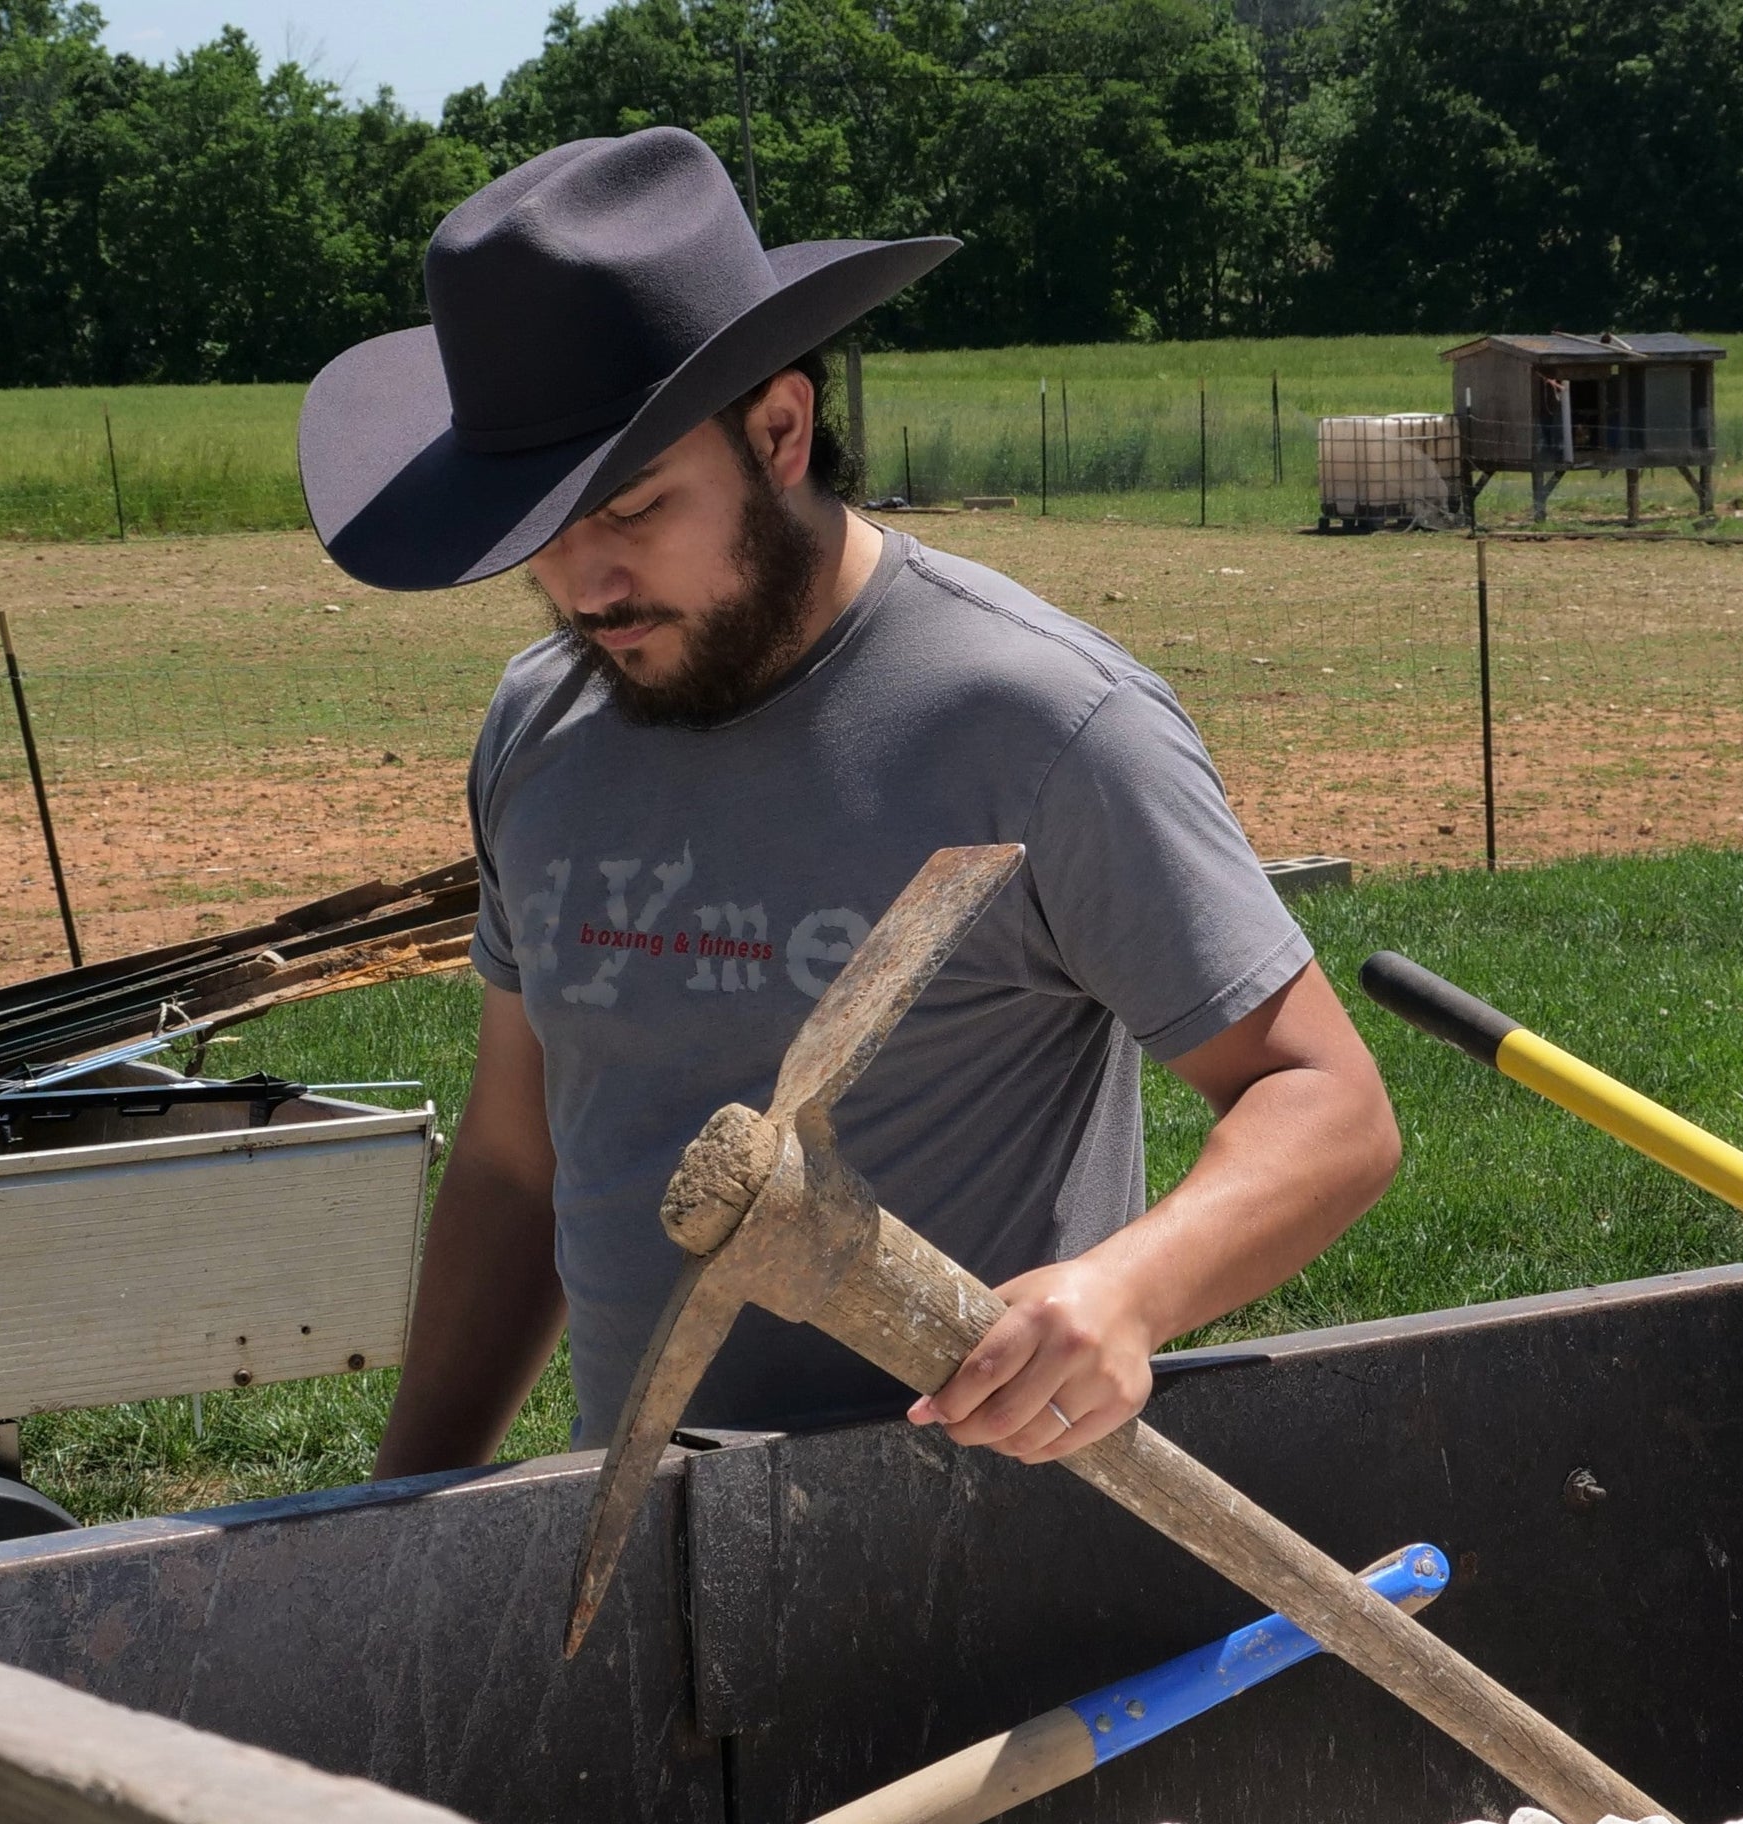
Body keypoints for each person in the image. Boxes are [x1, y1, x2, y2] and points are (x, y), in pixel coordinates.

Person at [297, 127, 1400, 1481]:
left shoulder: (1039, 723)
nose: (587, 586)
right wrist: (401, 1515)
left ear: (779, 430)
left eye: (633, 509)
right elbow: (518, 1162)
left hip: (978, 1532)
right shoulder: (542, 726)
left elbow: (1327, 1105)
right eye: (541, 537)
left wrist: (1127, 1291)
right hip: (642, 1543)